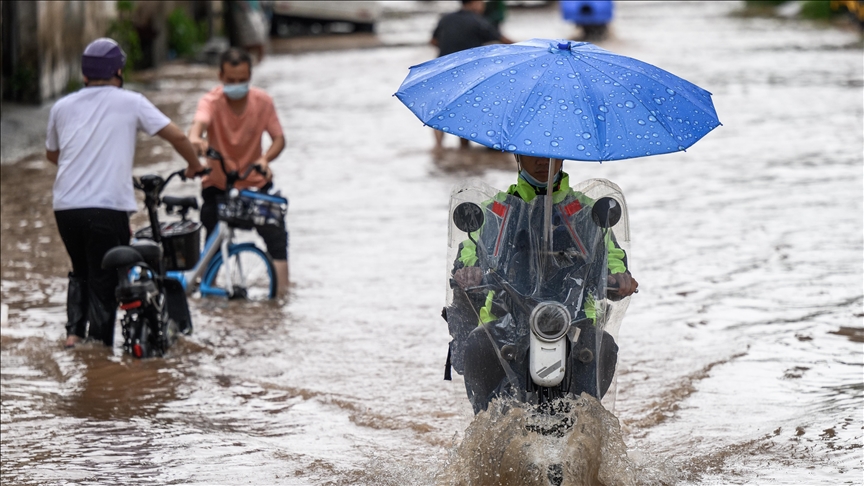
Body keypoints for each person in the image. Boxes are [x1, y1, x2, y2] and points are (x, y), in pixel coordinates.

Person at [446, 155, 638, 413]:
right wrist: (470, 271)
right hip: (507, 318)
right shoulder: (495, 211)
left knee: (603, 348)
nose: (542, 161)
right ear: (517, 156)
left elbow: (612, 256)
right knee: (478, 346)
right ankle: (485, 427)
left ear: (562, 157)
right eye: (531, 153)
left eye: (551, 154)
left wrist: (619, 277)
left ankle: (589, 422)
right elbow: (470, 250)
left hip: (576, 319)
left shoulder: (588, 212)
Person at [46, 38, 206, 349]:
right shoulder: (131, 101)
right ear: (118, 72)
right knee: (105, 282)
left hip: (65, 207)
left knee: (81, 271)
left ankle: (73, 336)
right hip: (106, 208)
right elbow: (176, 135)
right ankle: (99, 353)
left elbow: (54, 155)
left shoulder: (61, 107)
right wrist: (194, 165)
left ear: (84, 75)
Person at [187, 47, 289, 294]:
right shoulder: (210, 102)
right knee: (210, 240)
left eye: (242, 80)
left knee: (276, 237)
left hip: (253, 183)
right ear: (221, 76)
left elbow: (279, 139)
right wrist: (197, 141)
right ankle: (207, 292)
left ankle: (282, 297)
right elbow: (196, 128)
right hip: (218, 186)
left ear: (250, 76)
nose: (236, 85)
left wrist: (265, 159)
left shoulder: (263, 102)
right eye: (231, 80)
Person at [430, 0, 514, 150]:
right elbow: (501, 39)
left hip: (444, 69)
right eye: (481, 2)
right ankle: (464, 147)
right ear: (474, 3)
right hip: (468, 72)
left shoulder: (446, 18)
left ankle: (438, 147)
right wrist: (522, 46)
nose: (483, 6)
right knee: (465, 108)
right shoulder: (478, 21)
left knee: (441, 108)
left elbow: (433, 41)